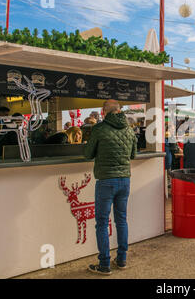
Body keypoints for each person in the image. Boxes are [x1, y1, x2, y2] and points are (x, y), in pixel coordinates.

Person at [85, 99, 137, 275]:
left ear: (103, 111)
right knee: (121, 220)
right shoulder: (129, 129)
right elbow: (133, 154)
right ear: (119, 110)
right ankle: (121, 259)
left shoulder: (99, 129)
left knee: (101, 222)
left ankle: (105, 264)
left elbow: (87, 154)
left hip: (106, 181)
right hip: (125, 180)